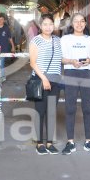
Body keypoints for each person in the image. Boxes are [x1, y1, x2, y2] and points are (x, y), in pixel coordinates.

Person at [60, 13, 90, 155]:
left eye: (81, 21)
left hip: (86, 74)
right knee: (70, 108)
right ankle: (70, 142)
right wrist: (72, 61)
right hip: (70, 74)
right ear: (71, 24)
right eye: (76, 21)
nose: (79, 24)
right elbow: (62, 58)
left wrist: (89, 61)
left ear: (85, 24)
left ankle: (88, 141)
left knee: (87, 108)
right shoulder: (65, 39)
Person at [29, 14, 63, 155]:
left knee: (51, 112)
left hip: (55, 80)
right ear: (40, 26)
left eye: (50, 24)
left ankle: (49, 143)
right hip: (40, 80)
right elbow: (32, 62)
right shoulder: (35, 41)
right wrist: (43, 78)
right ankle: (39, 143)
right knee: (40, 111)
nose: (48, 27)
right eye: (45, 24)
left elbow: (62, 59)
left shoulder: (58, 40)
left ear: (53, 25)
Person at [0, 13, 15, 80]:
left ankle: (2, 76)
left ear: (4, 20)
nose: (0, 21)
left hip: (4, 48)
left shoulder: (6, 28)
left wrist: (13, 46)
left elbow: (10, 38)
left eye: (2, 19)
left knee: (2, 62)